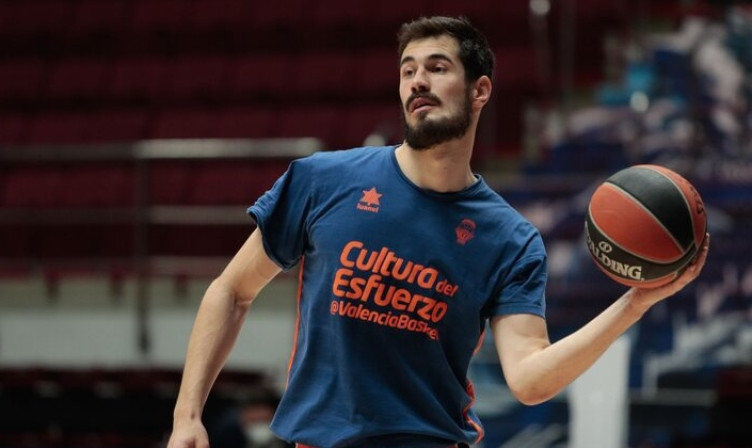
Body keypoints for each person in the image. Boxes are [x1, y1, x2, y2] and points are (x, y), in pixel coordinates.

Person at [167, 16, 710, 448]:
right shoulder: (322, 179)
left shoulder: (510, 238)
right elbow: (231, 291)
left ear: (480, 91)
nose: (417, 81)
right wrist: (187, 415)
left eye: (436, 67)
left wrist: (635, 305)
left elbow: (529, 380)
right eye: (407, 70)